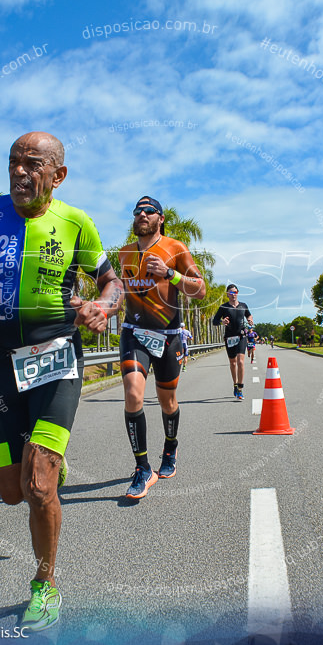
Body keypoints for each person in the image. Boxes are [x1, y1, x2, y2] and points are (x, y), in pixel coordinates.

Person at [0, 131, 122, 631]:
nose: (20, 172)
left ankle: (45, 586)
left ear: (57, 175)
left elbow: (111, 283)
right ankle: (47, 469)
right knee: (10, 491)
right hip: (3, 362)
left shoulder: (76, 222)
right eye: (13, 163)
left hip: (56, 356)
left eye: (32, 164)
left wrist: (103, 306)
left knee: (38, 485)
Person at [118, 196, 207, 499]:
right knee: (133, 392)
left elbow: (200, 289)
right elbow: (122, 293)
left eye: (148, 211)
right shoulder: (125, 253)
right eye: (137, 212)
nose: (141, 215)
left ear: (161, 218)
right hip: (134, 332)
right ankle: (143, 468)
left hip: (168, 335)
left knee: (167, 402)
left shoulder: (175, 248)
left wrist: (170, 273)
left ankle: (170, 447)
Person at [211, 284, 253, 400]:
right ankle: (235, 384)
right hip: (229, 337)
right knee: (233, 363)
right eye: (231, 293)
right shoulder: (224, 307)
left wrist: (250, 319)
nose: (233, 295)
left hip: (241, 336)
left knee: (240, 361)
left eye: (235, 292)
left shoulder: (243, 306)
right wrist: (222, 322)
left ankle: (240, 388)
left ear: (238, 293)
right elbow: (214, 321)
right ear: (227, 294)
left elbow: (249, 315)